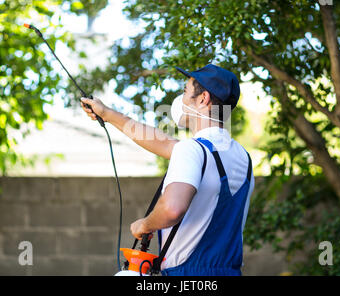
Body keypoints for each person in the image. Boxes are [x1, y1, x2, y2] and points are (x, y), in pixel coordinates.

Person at [80, 64, 254, 276]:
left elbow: (172, 209)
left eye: (185, 92)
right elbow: (163, 143)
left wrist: (145, 224)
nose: (180, 100)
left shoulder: (192, 151)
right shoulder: (242, 157)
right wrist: (106, 113)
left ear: (203, 99)